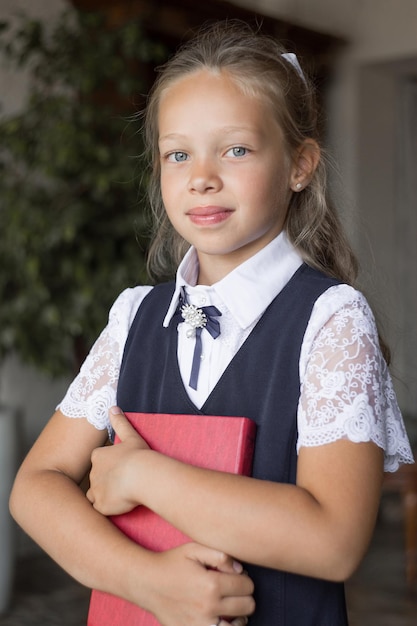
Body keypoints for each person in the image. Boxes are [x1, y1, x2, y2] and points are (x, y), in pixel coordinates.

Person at [10, 20, 414, 626]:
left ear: (300, 165)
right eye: (178, 154)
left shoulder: (330, 320)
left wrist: (142, 474)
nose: (202, 175)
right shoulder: (133, 317)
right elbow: (34, 487)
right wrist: (146, 582)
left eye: (236, 150)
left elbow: (333, 542)